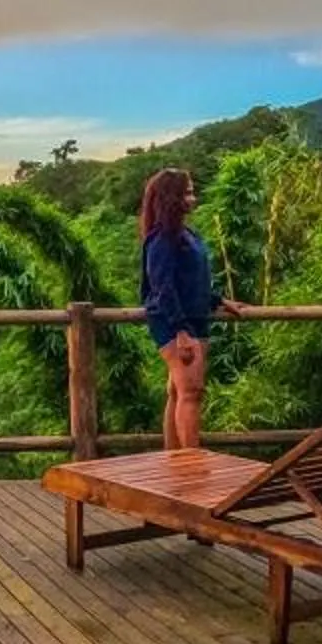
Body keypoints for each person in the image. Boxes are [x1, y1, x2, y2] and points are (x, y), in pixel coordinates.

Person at [138, 165, 219, 451]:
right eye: (187, 192)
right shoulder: (162, 238)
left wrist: (218, 301)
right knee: (191, 393)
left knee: (178, 391)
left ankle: (174, 461)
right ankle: (191, 463)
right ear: (172, 198)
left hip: (194, 318)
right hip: (175, 323)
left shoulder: (187, 234)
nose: (193, 198)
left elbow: (193, 279)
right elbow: (162, 287)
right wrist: (181, 330)